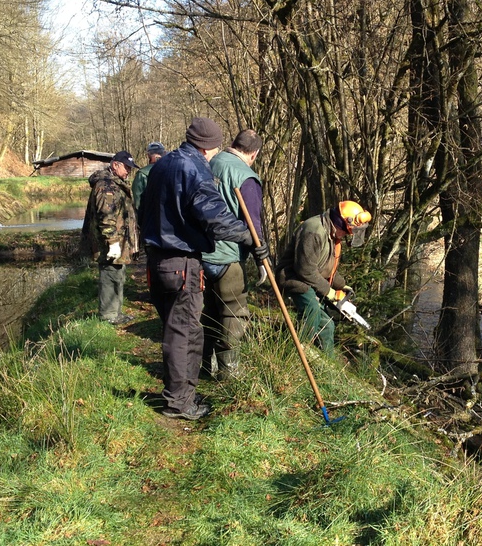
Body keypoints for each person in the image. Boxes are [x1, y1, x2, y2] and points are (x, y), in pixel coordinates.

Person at [139, 117, 270, 421]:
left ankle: (183, 394)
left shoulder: (162, 165)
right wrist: (251, 238)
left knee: (176, 329)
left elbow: (143, 209)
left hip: (156, 259)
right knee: (184, 334)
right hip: (181, 263)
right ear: (209, 147)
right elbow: (216, 219)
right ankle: (179, 403)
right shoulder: (195, 169)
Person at [201, 129, 267, 379]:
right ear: (254, 154)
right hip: (227, 257)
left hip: (201, 252)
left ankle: (203, 364)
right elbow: (253, 223)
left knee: (208, 310)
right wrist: (261, 258)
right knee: (233, 311)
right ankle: (229, 372)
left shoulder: (211, 162)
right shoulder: (246, 177)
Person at [275, 201, 371, 355]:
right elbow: (305, 270)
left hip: (309, 279)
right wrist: (330, 292)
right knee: (311, 309)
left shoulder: (332, 235)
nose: (349, 234)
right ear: (342, 223)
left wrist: (342, 286)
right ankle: (295, 353)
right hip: (292, 277)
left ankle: (327, 363)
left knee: (327, 326)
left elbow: (327, 268)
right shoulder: (314, 231)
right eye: (349, 231)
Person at [82, 150, 140, 325]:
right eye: (126, 167)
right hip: (109, 243)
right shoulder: (106, 186)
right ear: (115, 165)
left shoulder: (114, 184)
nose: (128, 171)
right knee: (110, 277)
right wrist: (112, 243)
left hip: (119, 241)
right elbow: (106, 218)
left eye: (130, 168)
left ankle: (115, 313)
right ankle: (109, 316)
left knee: (117, 276)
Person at [131, 141, 166, 213]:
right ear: (163, 153)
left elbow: (138, 200)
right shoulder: (171, 171)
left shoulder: (142, 174)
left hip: (148, 216)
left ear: (148, 155)